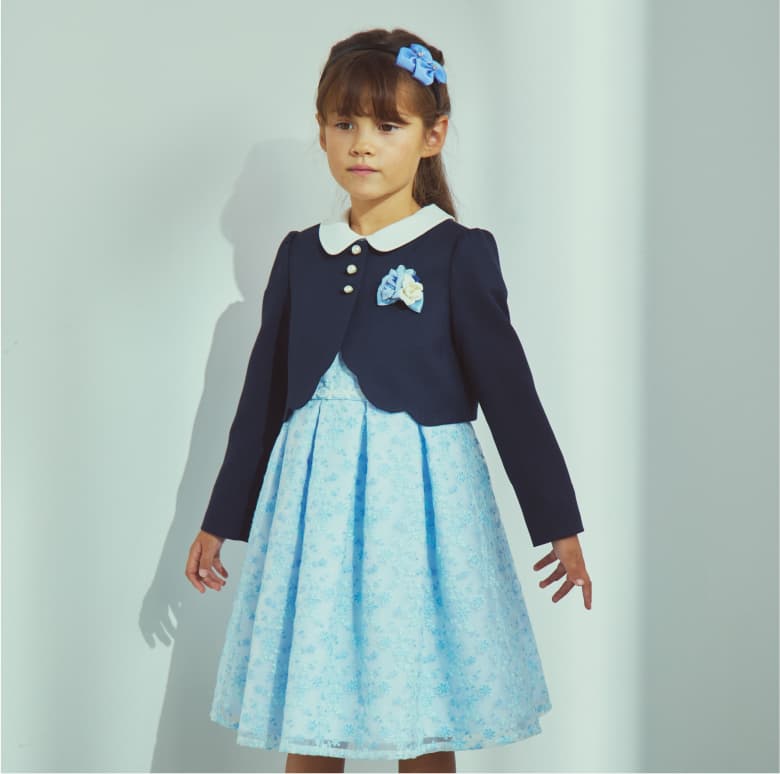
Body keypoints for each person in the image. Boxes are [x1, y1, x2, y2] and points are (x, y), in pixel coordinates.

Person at [185, 26, 592, 774]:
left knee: (422, 699)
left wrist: (557, 523)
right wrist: (221, 520)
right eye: (344, 124)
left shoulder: (459, 252)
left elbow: (512, 397)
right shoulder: (300, 254)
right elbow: (263, 399)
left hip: (423, 511)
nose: (362, 144)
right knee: (314, 701)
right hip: (316, 506)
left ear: (432, 136)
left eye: (387, 125)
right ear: (321, 131)